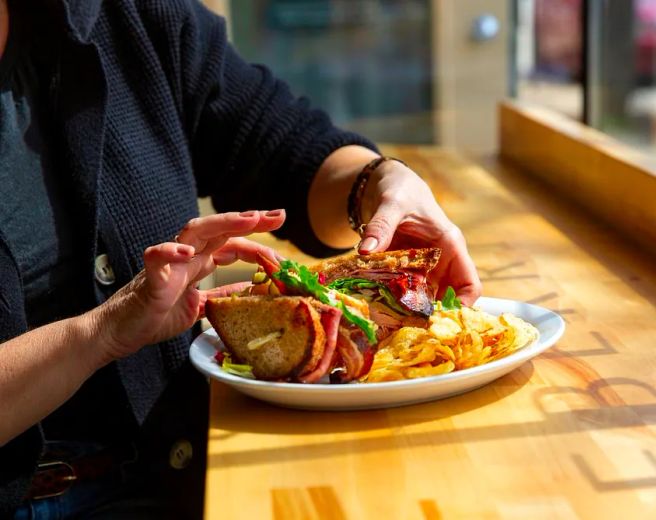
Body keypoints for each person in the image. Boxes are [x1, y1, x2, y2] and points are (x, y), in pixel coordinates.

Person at [0, 0, 481, 517]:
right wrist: (103, 333)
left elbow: (280, 145)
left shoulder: (127, 15)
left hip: (191, 474)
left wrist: (377, 184)